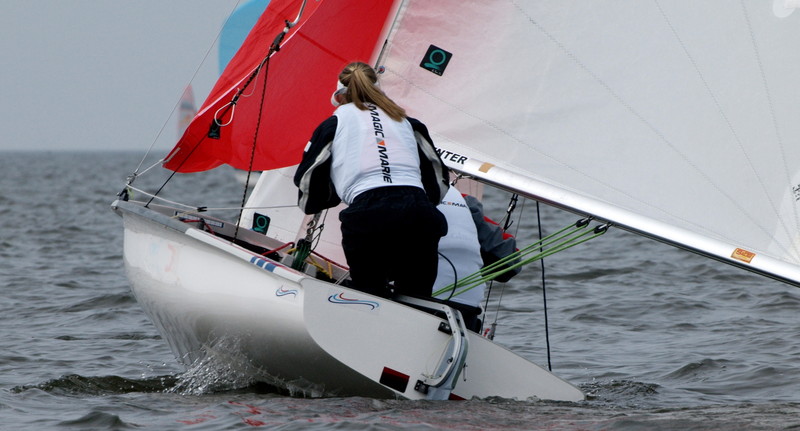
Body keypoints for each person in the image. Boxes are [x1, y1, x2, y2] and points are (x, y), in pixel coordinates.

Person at [294, 61, 449, 298]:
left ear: (339, 97)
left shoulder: (334, 123)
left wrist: (319, 202)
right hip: (419, 213)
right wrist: (426, 203)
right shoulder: (407, 122)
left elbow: (308, 177)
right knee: (417, 298)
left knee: (370, 295)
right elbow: (438, 177)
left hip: (367, 216)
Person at [433, 186, 521, 332]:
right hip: (466, 311)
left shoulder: (397, 196)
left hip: (418, 306)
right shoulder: (463, 200)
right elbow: (512, 261)